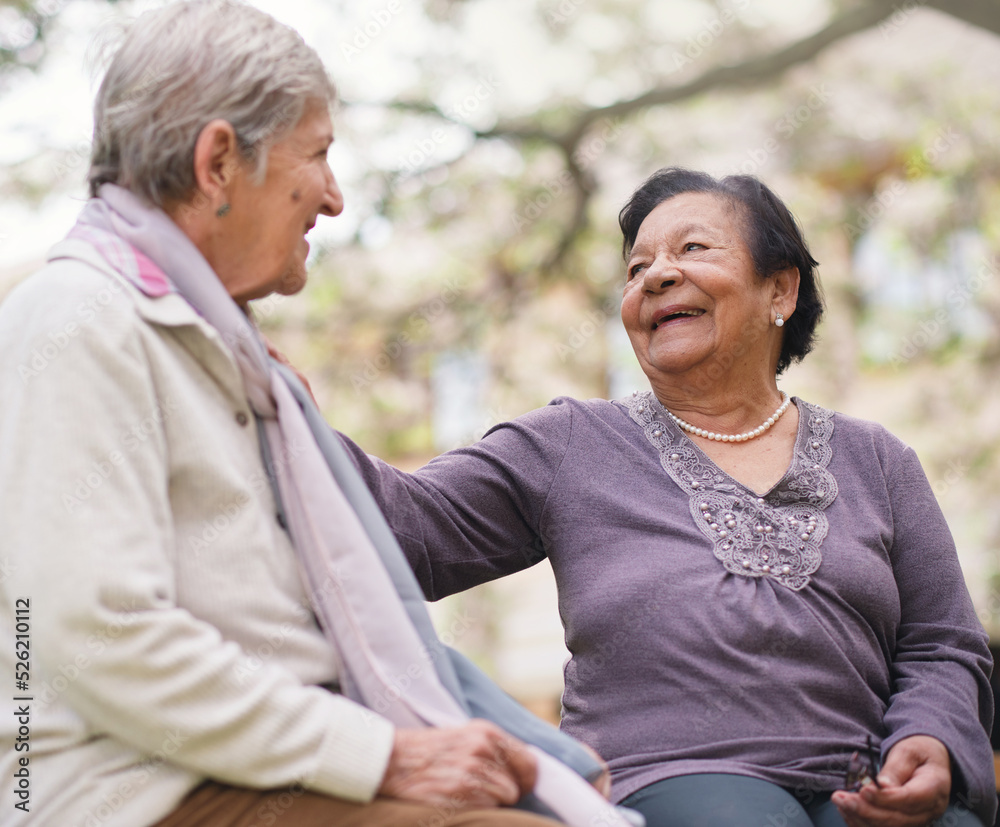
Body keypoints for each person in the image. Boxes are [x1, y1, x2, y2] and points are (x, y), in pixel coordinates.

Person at [0, 3, 631, 826]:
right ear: (219, 161)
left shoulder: (218, 347)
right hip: (139, 788)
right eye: (319, 155)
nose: (333, 198)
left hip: (258, 763)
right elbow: (98, 633)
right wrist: (388, 754)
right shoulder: (80, 318)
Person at [337, 167, 997, 827]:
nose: (654, 276)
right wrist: (279, 415)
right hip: (670, 784)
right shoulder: (570, 444)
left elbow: (942, 642)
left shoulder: (878, 460)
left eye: (693, 249)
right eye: (637, 267)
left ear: (781, 289)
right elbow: (402, 531)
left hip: (859, 781)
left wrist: (928, 738)